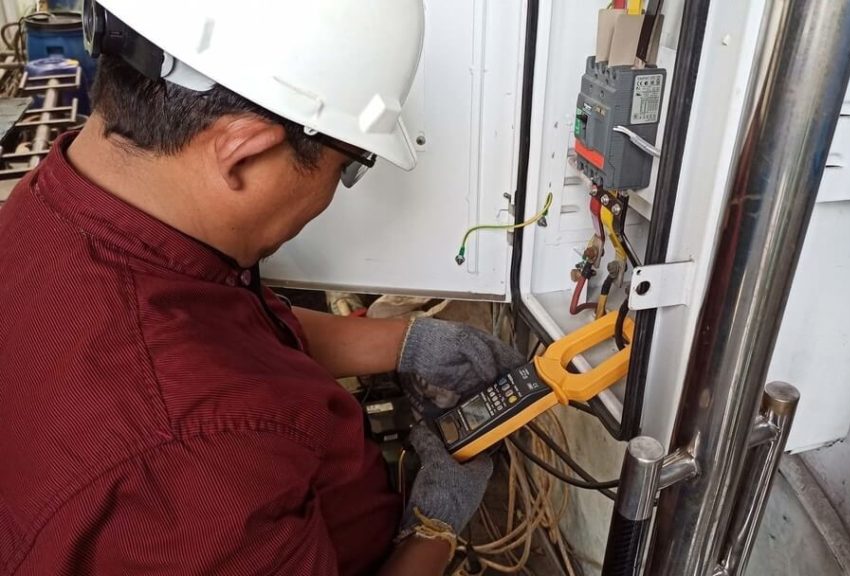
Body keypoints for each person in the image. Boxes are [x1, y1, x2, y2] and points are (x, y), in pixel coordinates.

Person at [0, 1, 522, 574]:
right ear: (244, 151)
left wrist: (406, 344)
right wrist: (434, 528)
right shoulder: (191, 462)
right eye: (349, 165)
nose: (335, 193)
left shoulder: (67, 205)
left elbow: (225, 328)